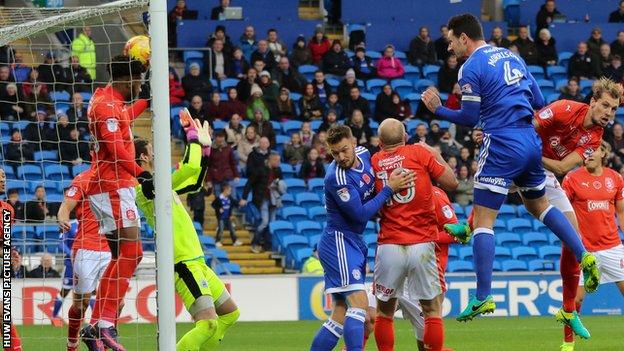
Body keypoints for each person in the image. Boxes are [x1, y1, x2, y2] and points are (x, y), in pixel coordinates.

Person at [421, 13, 599, 321]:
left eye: (450, 41)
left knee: (483, 222)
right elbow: (540, 100)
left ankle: (483, 297)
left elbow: (468, 116)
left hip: (501, 142)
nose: (449, 47)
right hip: (530, 141)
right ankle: (584, 254)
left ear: (464, 38)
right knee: (540, 206)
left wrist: (438, 109)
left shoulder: (471, 66)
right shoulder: (513, 57)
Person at [134, 116, 240, 350]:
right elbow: (189, 167)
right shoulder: (145, 188)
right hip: (182, 262)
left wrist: (206, 149)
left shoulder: (161, 186)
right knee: (208, 324)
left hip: (196, 260)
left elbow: (194, 183)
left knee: (230, 314)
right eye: (151, 150)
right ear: (143, 157)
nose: (154, 153)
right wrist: (192, 137)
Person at [309, 125, 412, 351]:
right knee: (361, 307)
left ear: (354, 143)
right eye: (335, 153)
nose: (341, 157)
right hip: (339, 241)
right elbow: (360, 215)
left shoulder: (366, 155)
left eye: (344, 150)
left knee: (339, 315)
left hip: (352, 241)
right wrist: (389, 189)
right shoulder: (335, 178)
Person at [82, 55, 150, 349]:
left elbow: (122, 122)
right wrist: (142, 173)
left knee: (124, 255)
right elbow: (115, 148)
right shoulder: (107, 106)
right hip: (113, 185)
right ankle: (104, 323)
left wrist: (146, 101)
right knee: (132, 252)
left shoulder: (106, 100)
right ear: (128, 80)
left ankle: (98, 326)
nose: (140, 86)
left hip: (109, 185)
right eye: (140, 83)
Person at [371, 119, 458, 351]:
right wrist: (434, 154)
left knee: (383, 313)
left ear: (380, 142)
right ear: (406, 136)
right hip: (422, 243)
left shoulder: (375, 160)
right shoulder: (419, 152)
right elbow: (452, 182)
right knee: (432, 311)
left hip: (390, 244)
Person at [561, 141, 624, 351]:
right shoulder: (572, 178)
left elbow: (621, 213)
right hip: (585, 251)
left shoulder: (615, 178)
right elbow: (562, 211)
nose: (588, 154)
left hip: (613, 248)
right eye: (585, 151)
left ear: (604, 153)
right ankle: (568, 343)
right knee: (575, 298)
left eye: (593, 150)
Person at [57, 167, 111, 351]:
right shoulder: (83, 178)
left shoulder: (118, 176)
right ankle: (72, 343)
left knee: (116, 302)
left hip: (111, 247)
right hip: (85, 249)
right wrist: (62, 217)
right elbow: (66, 205)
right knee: (81, 305)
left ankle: (98, 341)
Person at [241, 151, 284, 253]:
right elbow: (249, 183)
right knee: (264, 222)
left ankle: (267, 246)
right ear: (271, 160)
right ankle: (255, 242)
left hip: (274, 200)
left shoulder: (278, 171)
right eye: (277, 160)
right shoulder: (260, 170)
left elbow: (281, 183)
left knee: (271, 224)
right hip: (262, 199)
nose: (279, 163)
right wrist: (244, 197)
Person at [206, 130, 239, 198]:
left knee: (233, 198)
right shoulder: (210, 149)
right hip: (216, 178)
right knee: (219, 200)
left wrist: (236, 175)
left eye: (222, 137)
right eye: (218, 137)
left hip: (228, 177)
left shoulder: (228, 148)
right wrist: (208, 180)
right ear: (215, 137)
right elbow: (208, 166)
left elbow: (232, 163)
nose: (220, 139)